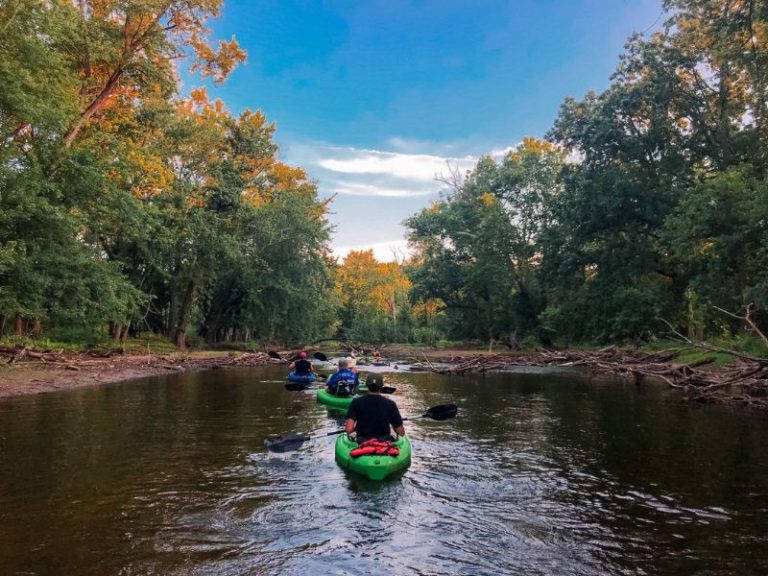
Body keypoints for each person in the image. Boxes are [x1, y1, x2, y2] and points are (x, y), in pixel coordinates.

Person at [345, 374, 405, 443]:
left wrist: (355, 429)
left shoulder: (356, 402)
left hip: (362, 442)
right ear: (381, 386)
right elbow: (401, 432)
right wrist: (394, 425)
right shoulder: (391, 404)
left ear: (367, 385)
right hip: (384, 443)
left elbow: (349, 429)